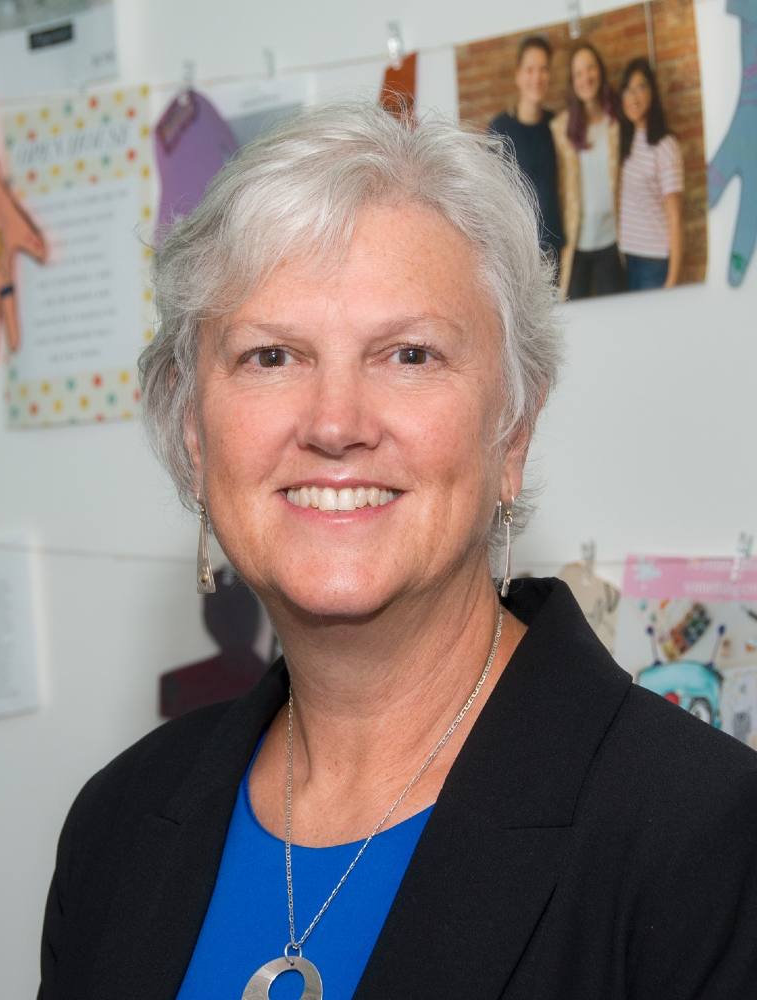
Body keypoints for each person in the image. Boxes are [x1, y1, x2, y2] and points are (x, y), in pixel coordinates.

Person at [38, 103, 757, 1000]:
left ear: (513, 433)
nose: (336, 424)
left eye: (409, 355)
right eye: (271, 356)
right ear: (193, 432)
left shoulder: (706, 839)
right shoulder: (116, 826)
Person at [551, 41, 624, 300]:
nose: (586, 78)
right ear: (572, 82)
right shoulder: (561, 129)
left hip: (612, 242)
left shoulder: (617, 121)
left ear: (600, 71)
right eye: (578, 73)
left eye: (590, 68)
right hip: (577, 243)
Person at [489, 35, 564, 267]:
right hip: (520, 256)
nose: (537, 77)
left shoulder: (558, 125)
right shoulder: (499, 130)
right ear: (518, 75)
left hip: (559, 252)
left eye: (543, 69)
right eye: (530, 69)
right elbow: (492, 196)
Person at [619, 57, 684, 291]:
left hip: (655, 261)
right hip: (628, 258)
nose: (633, 97)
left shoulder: (665, 145)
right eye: (627, 90)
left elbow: (675, 216)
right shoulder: (625, 142)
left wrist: (672, 280)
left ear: (652, 93)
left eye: (641, 87)